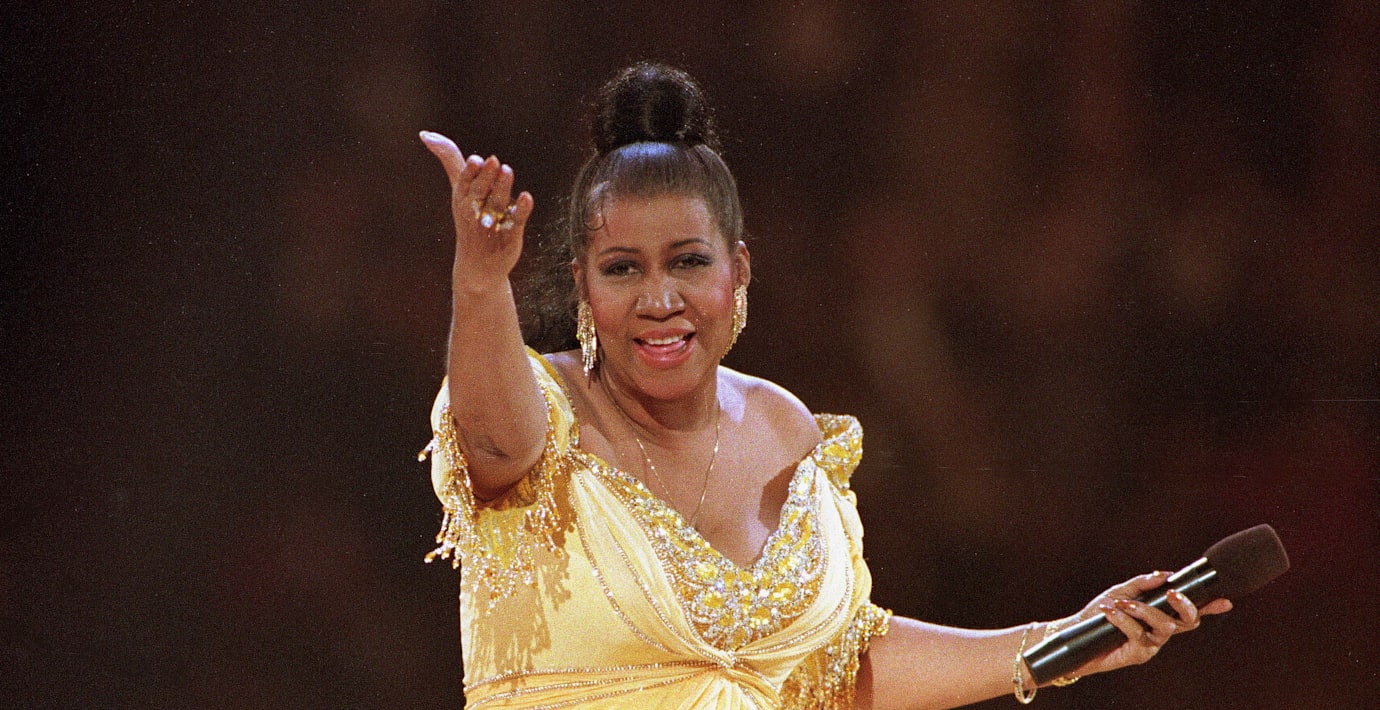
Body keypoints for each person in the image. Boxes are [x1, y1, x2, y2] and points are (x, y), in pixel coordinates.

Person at [416, 62, 1232, 709]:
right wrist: (481, 282)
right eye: (623, 269)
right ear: (582, 286)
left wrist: (1064, 641)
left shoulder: (782, 427)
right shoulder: (540, 406)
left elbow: (842, 662)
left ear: (738, 271)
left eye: (688, 262)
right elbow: (493, 439)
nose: (659, 300)